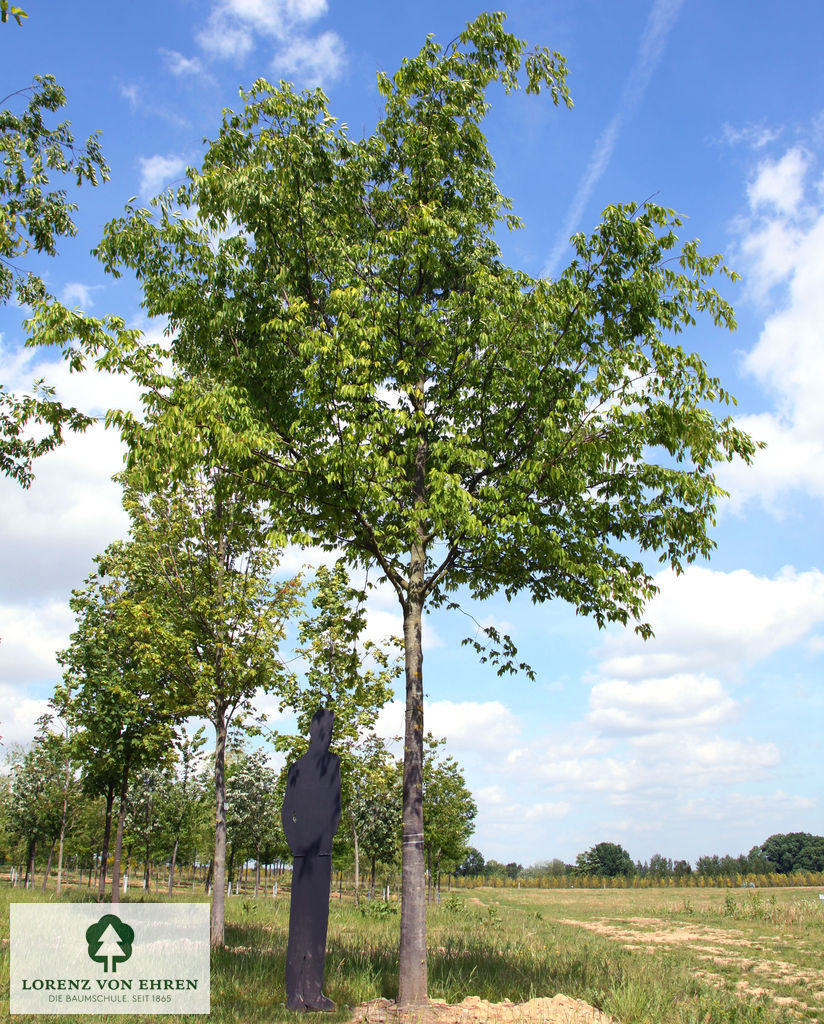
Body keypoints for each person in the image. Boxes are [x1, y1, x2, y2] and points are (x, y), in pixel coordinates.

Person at [281, 708, 341, 1012]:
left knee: (317, 922)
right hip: (304, 854)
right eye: (324, 730)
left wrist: (326, 838)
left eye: (330, 731)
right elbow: (287, 811)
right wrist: (298, 844)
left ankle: (313, 992)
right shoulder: (297, 768)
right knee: (301, 922)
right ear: (314, 732)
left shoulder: (333, 764)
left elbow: (335, 807)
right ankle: (295, 994)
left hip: (321, 853)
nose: (327, 736)